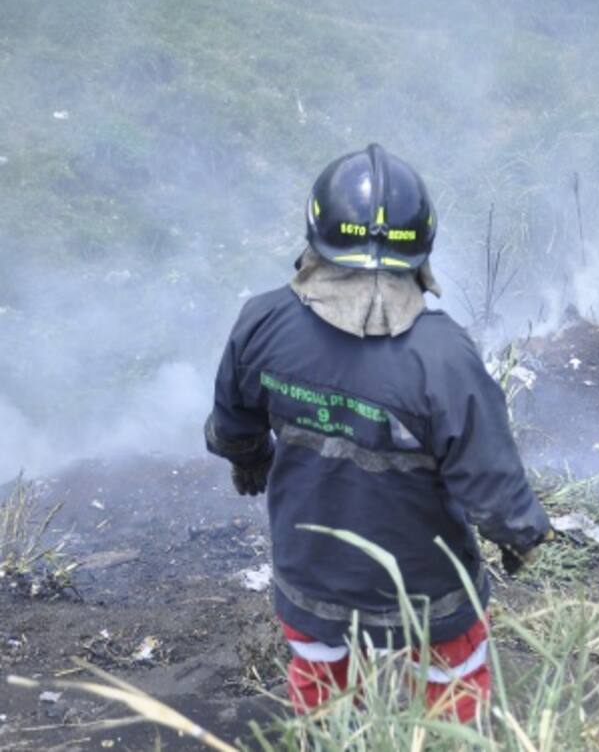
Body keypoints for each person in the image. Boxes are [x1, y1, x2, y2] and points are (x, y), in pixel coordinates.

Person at [204, 144, 551, 721]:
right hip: (428, 594)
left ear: (317, 235)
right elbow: (487, 474)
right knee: (452, 698)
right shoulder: (442, 356)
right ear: (420, 247)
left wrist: (249, 460)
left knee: (321, 698)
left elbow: (233, 420)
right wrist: (521, 536)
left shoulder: (262, 322)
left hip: (310, 579)